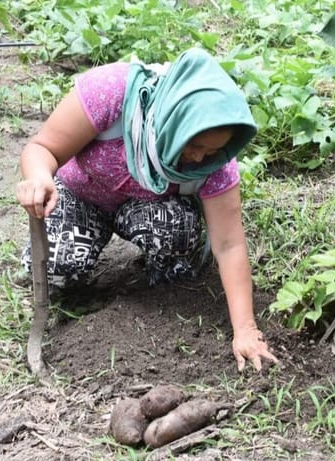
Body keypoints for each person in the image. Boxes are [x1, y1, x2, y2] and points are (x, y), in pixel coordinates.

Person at [16, 47, 279, 372]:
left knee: (178, 232)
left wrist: (245, 329)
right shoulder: (111, 92)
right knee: (59, 267)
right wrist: (39, 177)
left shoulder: (216, 164)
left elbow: (229, 244)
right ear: (173, 120)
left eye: (211, 151)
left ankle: (156, 279)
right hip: (83, 193)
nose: (199, 159)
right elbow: (42, 148)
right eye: (194, 145)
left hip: (146, 209)